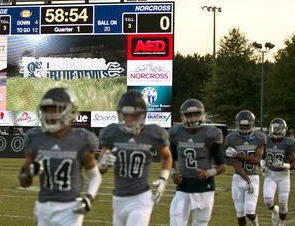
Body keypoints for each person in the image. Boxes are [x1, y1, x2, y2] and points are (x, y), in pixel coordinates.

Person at [18, 87, 102, 226]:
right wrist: (30, 172)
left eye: (55, 110)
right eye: (47, 110)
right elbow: (23, 182)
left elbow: (95, 175)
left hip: (70, 208)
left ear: (70, 111)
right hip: (43, 206)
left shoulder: (82, 139)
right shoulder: (35, 137)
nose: (50, 115)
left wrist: (89, 198)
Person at [98, 90, 172, 226]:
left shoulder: (153, 133)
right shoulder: (112, 132)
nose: (129, 119)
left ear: (143, 114)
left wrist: (163, 178)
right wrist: (103, 163)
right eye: (125, 115)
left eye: (134, 115)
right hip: (118, 198)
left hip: (141, 198)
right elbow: (101, 169)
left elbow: (167, 156)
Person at [168, 99, 226, 226]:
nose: (193, 118)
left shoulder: (211, 134)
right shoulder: (176, 132)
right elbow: (171, 158)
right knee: (175, 221)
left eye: (196, 114)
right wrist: (173, 174)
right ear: (183, 116)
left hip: (204, 188)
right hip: (183, 187)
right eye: (189, 115)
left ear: (202, 115)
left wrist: (208, 173)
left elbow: (222, 166)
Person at [225, 110, 266, 226]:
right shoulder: (231, 138)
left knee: (249, 211)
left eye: (247, 126)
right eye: (242, 126)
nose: (244, 129)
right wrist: (246, 179)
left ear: (252, 125)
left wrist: (237, 155)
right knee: (240, 213)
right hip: (238, 177)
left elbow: (256, 160)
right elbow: (235, 164)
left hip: (253, 177)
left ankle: (255, 224)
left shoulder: (259, 137)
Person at [261, 118, 295, 226]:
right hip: (270, 175)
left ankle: (281, 223)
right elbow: (262, 157)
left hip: (283, 176)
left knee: (283, 203)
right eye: (274, 129)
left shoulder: (288, 143)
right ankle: (274, 211)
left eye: (279, 129)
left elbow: (294, 164)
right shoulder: (266, 141)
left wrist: (283, 165)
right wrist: (263, 166)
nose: (276, 132)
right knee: (268, 200)